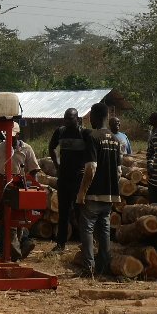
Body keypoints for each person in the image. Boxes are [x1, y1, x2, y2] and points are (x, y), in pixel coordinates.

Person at [76, 102, 122, 278]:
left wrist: (82, 192)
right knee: (104, 232)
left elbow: (91, 167)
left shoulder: (93, 137)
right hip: (109, 195)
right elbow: (119, 171)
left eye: (90, 117)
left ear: (95, 117)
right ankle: (104, 267)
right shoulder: (116, 140)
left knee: (87, 229)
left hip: (93, 194)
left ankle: (88, 268)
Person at [0, 122, 39, 261]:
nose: (11, 139)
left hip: (20, 187)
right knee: (1, 219)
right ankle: (5, 250)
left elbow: (34, 170)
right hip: (2, 188)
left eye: (13, 136)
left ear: (18, 134)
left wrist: (31, 188)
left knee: (20, 219)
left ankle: (16, 249)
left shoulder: (27, 149)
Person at [49, 108, 87, 252]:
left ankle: (86, 243)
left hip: (78, 179)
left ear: (77, 119)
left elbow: (92, 152)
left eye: (70, 118)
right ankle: (61, 244)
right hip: (64, 177)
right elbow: (51, 148)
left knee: (79, 212)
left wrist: (86, 167)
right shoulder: (60, 131)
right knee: (63, 212)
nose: (67, 121)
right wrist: (56, 165)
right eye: (65, 118)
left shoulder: (84, 133)